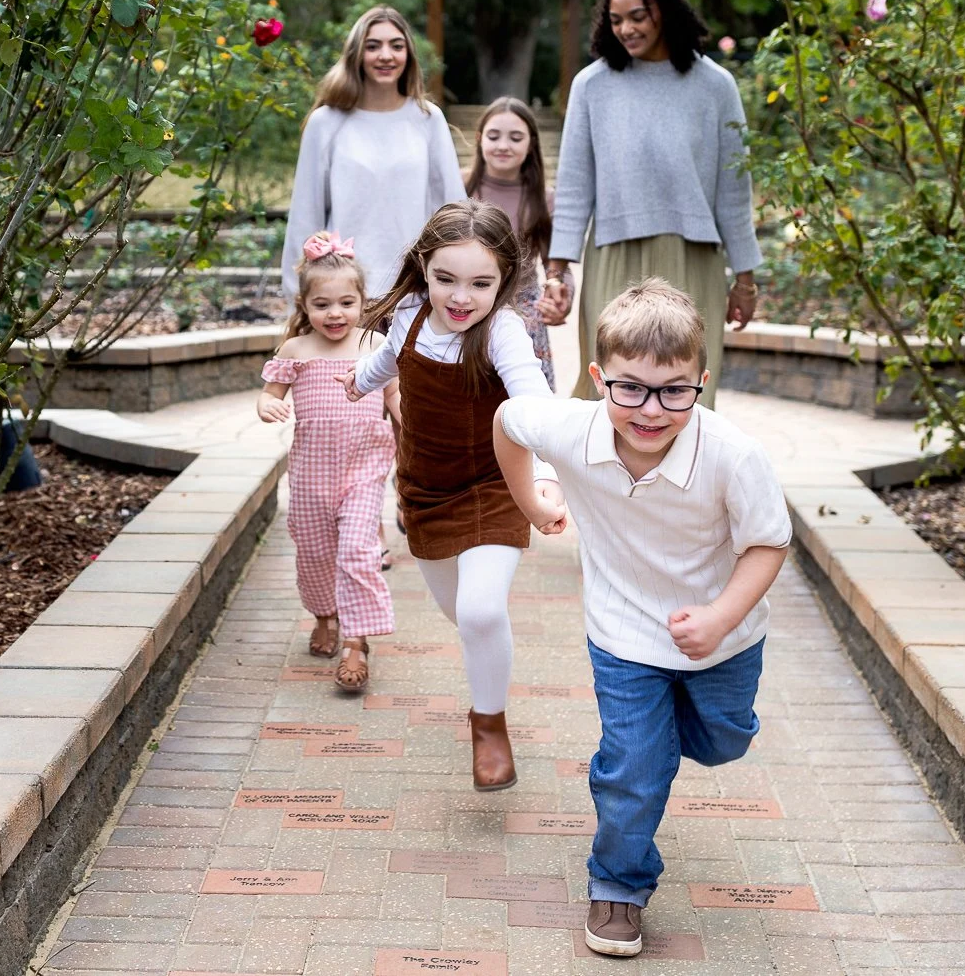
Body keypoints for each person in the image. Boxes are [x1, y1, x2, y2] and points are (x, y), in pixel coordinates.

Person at [494, 279, 789, 958]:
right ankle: (618, 885)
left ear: (701, 382)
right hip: (623, 632)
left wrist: (719, 616)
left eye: (673, 390)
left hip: (724, 637)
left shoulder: (733, 454)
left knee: (722, 741)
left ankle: (652, 747)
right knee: (636, 762)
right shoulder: (571, 426)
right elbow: (508, 421)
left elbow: (769, 543)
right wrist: (531, 502)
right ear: (598, 378)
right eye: (630, 388)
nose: (651, 409)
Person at [338, 200, 565, 791]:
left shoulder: (503, 333)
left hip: (495, 486)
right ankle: (486, 658)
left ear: (505, 281)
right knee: (462, 615)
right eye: (446, 279)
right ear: (424, 269)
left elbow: (532, 404)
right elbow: (388, 359)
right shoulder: (411, 313)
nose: (461, 297)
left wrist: (544, 480)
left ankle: (489, 725)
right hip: (425, 490)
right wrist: (359, 383)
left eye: (480, 283)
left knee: (481, 610)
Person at [544, 0, 760, 406]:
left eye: (637, 16)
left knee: (688, 391)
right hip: (612, 255)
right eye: (616, 20)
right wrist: (557, 270)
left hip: (693, 257)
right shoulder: (592, 85)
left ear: (665, 11)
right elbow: (573, 187)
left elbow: (733, 191)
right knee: (609, 387)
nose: (626, 29)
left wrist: (745, 280)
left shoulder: (716, 86)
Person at [257, 233, 396, 692]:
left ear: (361, 301)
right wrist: (267, 405)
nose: (334, 314)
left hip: (365, 467)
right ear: (304, 304)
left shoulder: (376, 344)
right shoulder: (296, 350)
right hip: (312, 473)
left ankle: (357, 642)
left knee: (358, 550)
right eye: (322, 304)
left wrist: (411, 426)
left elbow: (396, 396)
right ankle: (324, 615)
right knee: (314, 552)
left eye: (346, 302)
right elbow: (270, 393)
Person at [283, 6, 464, 301]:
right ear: (357, 54)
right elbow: (305, 215)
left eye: (396, 45)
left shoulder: (428, 119)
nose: (385, 55)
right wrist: (297, 297)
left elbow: (452, 210)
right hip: (342, 293)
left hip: (414, 291)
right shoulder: (326, 122)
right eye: (373, 46)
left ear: (408, 55)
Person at [464, 97, 571, 389]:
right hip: (466, 306)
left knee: (526, 403)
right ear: (479, 138)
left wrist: (559, 296)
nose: (503, 145)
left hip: (524, 309)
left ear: (531, 144)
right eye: (494, 135)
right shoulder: (459, 187)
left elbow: (556, 263)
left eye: (515, 137)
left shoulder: (544, 198)